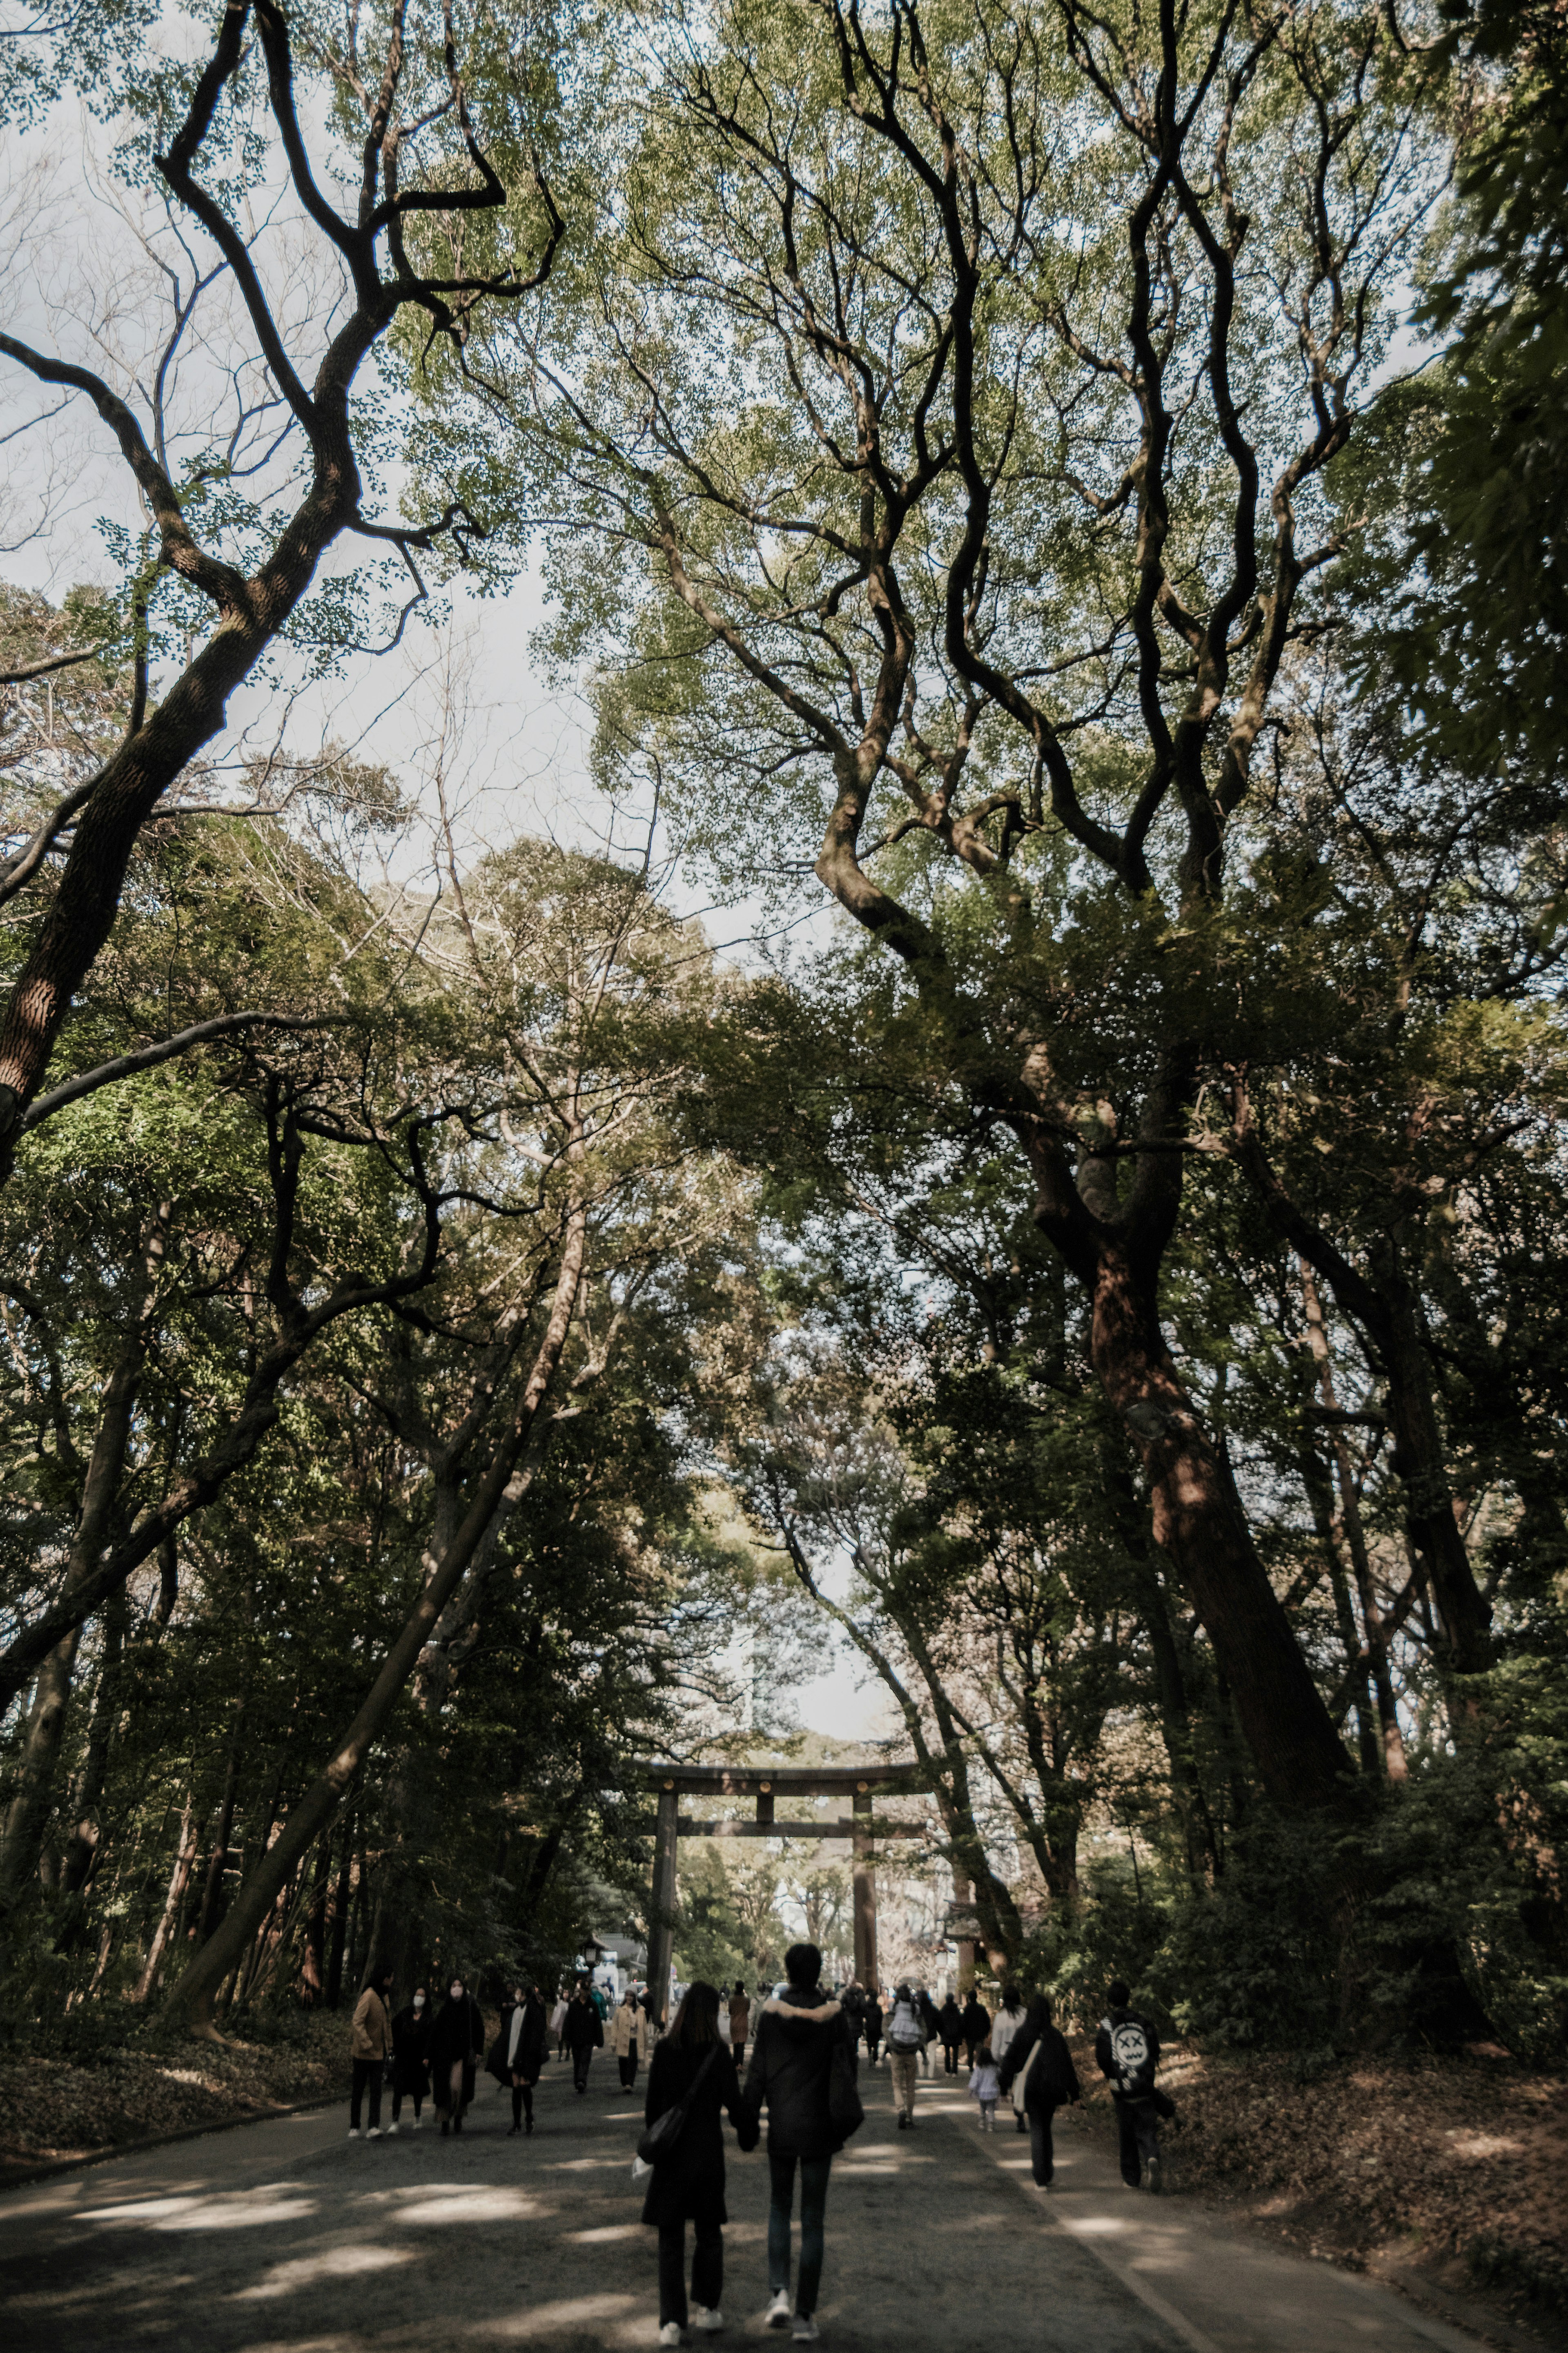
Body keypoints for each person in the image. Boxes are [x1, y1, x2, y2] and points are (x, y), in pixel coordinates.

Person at [743, 1941, 854, 2345]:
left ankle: (779, 2295)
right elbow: (847, 2071)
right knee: (813, 2219)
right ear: (819, 1970)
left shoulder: (772, 2017)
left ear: (788, 1971)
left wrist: (748, 2119)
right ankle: (806, 2317)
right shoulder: (835, 2016)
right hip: (821, 2127)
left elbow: (757, 2072)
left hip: (784, 2126)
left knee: (778, 2206)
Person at [643, 1978, 755, 2348]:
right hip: (707, 2155)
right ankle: (707, 2307)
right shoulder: (718, 2055)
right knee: (709, 2234)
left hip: (673, 2158)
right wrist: (748, 2132)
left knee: (670, 2238)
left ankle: (671, 2322)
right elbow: (736, 2108)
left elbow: (652, 2113)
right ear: (712, 2012)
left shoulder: (664, 2050)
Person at [1000, 1992, 1082, 2188]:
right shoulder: (1054, 2036)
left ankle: (1040, 2177)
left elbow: (1010, 2060)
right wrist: (1075, 2094)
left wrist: (1004, 2086)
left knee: (1037, 2129)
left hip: (1031, 2091)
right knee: (1046, 2128)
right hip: (1052, 2090)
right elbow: (1067, 2065)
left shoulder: (1023, 2033)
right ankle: (1047, 2172)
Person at [1096, 1978, 1164, 2192]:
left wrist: (1111, 2075)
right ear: (1129, 1998)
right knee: (1147, 2128)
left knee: (1127, 2132)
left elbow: (1103, 2056)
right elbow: (1154, 2050)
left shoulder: (1107, 2025)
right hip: (1144, 2085)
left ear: (1110, 2001)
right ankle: (1152, 2156)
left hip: (1121, 2087)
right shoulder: (1143, 2022)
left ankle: (1132, 2178)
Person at [429, 1972, 486, 2136]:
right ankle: (445, 2122)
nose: (457, 1989)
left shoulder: (469, 2006)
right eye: (454, 1986)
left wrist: (478, 2050)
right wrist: (429, 2054)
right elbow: (436, 2032)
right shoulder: (445, 2008)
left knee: (457, 2088)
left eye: (460, 1985)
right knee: (445, 2089)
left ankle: (458, 2116)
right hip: (445, 2056)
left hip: (463, 2055)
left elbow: (478, 2028)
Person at [348, 1961, 394, 2139]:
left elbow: (386, 2024)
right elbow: (357, 2021)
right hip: (362, 2053)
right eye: (391, 1978)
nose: (393, 1981)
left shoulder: (385, 1997)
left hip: (378, 2054)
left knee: (376, 2090)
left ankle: (373, 2126)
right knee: (358, 2090)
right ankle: (355, 2126)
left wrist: (390, 2045)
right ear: (385, 1979)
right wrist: (366, 2043)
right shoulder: (369, 1996)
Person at [883, 1979, 927, 2129]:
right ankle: (909, 2116)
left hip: (896, 2052)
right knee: (910, 2086)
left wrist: (892, 2043)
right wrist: (918, 2045)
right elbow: (923, 2032)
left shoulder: (892, 2010)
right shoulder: (915, 2010)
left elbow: (886, 2030)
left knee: (897, 2084)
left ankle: (901, 2109)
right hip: (911, 2053)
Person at [389, 1983, 432, 2132]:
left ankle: (418, 2117)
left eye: (422, 1995)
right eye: (417, 1994)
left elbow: (430, 2039)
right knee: (398, 2088)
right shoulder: (406, 2013)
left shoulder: (428, 2018)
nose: (419, 1998)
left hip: (419, 2059)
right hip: (403, 2057)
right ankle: (395, 2121)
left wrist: (427, 2056)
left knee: (417, 2090)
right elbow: (394, 2025)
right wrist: (395, 2045)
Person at [506, 1983, 548, 2134]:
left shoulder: (533, 2010)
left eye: (521, 1994)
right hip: (515, 2054)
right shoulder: (517, 2010)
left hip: (528, 2055)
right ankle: (517, 2122)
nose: (518, 1997)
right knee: (516, 2087)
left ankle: (529, 2118)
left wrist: (531, 2055)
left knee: (525, 2086)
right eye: (517, 1994)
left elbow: (537, 2033)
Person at [990, 1985, 1027, 2133]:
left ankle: (1017, 2110)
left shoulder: (1001, 2017)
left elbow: (996, 2042)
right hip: (1024, 2056)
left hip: (1007, 2056)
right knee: (1021, 2087)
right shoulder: (1025, 2014)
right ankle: (1021, 2115)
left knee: (1011, 2086)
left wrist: (995, 2058)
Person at [562, 1980, 603, 2093]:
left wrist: (599, 2039)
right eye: (583, 1990)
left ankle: (582, 2080)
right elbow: (568, 2022)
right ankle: (578, 2081)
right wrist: (567, 2036)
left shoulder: (593, 2004)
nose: (585, 1992)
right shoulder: (574, 2004)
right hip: (576, 2038)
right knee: (577, 2060)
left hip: (588, 2039)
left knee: (585, 2060)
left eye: (587, 1990)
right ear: (580, 1990)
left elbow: (597, 2023)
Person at [612, 1985, 649, 2091]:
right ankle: (625, 2082)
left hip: (635, 2040)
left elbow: (644, 2028)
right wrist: (613, 2041)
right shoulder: (620, 2010)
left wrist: (646, 2042)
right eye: (627, 1995)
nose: (629, 1998)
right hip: (623, 2040)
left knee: (633, 2062)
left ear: (635, 1997)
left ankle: (630, 2083)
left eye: (631, 1996)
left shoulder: (641, 2011)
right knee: (623, 2062)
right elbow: (615, 2026)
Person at [968, 2040, 1002, 2131]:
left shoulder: (979, 2068)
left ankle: (982, 2123)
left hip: (982, 2093)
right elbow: (1000, 2075)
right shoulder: (995, 2067)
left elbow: (975, 2080)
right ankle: (991, 2125)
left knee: (982, 2109)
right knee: (991, 2110)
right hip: (993, 2092)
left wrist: (972, 2089)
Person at [960, 1989, 991, 2068]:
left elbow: (963, 2023)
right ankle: (979, 2067)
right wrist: (986, 2032)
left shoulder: (967, 2009)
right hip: (980, 2035)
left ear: (969, 1998)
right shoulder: (981, 2008)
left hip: (969, 2035)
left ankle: (971, 2067)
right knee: (979, 2052)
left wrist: (963, 2034)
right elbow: (987, 2021)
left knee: (970, 2052)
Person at [936, 1992, 964, 2075]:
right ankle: (955, 2071)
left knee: (947, 2054)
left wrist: (942, 2033)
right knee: (955, 2054)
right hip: (956, 2035)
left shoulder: (944, 2010)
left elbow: (939, 2023)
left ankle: (947, 2071)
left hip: (946, 2035)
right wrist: (961, 2034)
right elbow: (961, 2023)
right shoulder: (957, 2010)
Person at [915, 1983, 940, 2076]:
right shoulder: (934, 2009)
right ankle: (931, 2074)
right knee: (932, 2055)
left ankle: (921, 2074)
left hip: (920, 2036)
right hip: (932, 2035)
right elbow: (939, 2022)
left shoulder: (918, 2010)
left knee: (921, 2055)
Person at [728, 1979, 751, 2065]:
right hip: (743, 2024)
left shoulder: (732, 2000)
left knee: (735, 2045)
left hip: (734, 2024)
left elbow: (730, 2012)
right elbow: (748, 2009)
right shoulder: (746, 2000)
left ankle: (735, 2063)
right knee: (742, 2046)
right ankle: (740, 2064)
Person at [862, 1990, 883, 2065]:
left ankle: (870, 2053)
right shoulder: (878, 2007)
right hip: (877, 2027)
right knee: (876, 2042)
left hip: (869, 2027)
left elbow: (864, 2016)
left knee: (869, 2042)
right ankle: (875, 2054)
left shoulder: (866, 2006)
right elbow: (881, 2018)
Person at [550, 1987, 570, 2059]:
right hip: (561, 2023)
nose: (566, 1994)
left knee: (567, 2040)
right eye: (565, 1992)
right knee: (560, 2039)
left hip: (567, 2024)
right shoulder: (560, 2003)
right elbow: (557, 2013)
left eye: (567, 1993)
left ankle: (568, 2053)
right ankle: (560, 2055)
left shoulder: (570, 2004)